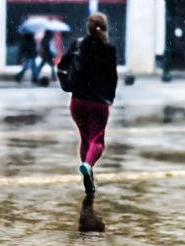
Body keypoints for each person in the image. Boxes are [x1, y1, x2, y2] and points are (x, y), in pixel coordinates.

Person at [69, 12, 118, 194]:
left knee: (85, 139)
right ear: (104, 27)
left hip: (78, 101)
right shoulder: (109, 49)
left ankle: (88, 178)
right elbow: (112, 77)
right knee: (97, 141)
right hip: (98, 102)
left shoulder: (79, 45)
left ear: (88, 27)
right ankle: (88, 165)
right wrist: (110, 98)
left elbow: (68, 67)